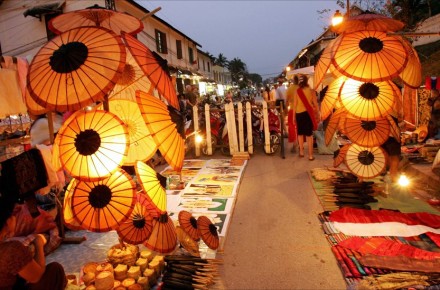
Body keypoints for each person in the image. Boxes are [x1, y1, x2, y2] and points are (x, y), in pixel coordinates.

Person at [0, 195, 67, 290]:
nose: (16, 217)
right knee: (55, 270)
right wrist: (38, 244)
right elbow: (36, 276)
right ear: (8, 221)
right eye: (13, 215)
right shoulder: (12, 250)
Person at [292, 74, 319, 161]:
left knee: (300, 134)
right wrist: (318, 113)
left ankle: (301, 152)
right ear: (307, 81)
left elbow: (295, 105)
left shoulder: (297, 91)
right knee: (309, 135)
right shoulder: (311, 91)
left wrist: (293, 117)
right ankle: (310, 156)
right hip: (308, 114)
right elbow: (315, 104)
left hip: (299, 114)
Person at [286, 75, 299, 152]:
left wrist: (285, 108)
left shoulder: (290, 89)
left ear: (293, 81)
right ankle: (300, 145)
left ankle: (295, 143)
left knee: (292, 126)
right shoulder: (300, 88)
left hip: (292, 109)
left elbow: (287, 101)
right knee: (299, 127)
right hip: (301, 110)